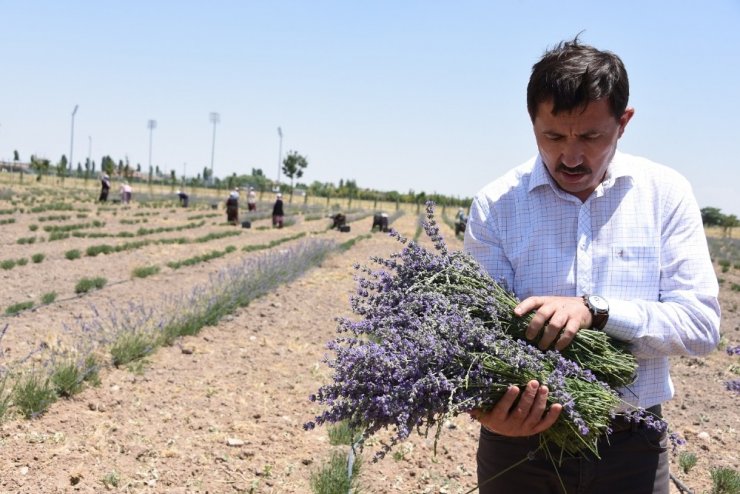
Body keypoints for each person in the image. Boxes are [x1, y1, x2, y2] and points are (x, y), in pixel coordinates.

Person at [464, 37, 720, 494]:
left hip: (630, 446)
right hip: (520, 448)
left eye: (590, 136)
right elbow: (477, 334)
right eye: (554, 136)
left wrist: (597, 311)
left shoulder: (665, 195)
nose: (571, 156)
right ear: (532, 123)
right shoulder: (495, 206)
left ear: (624, 123)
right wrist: (490, 404)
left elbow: (700, 326)